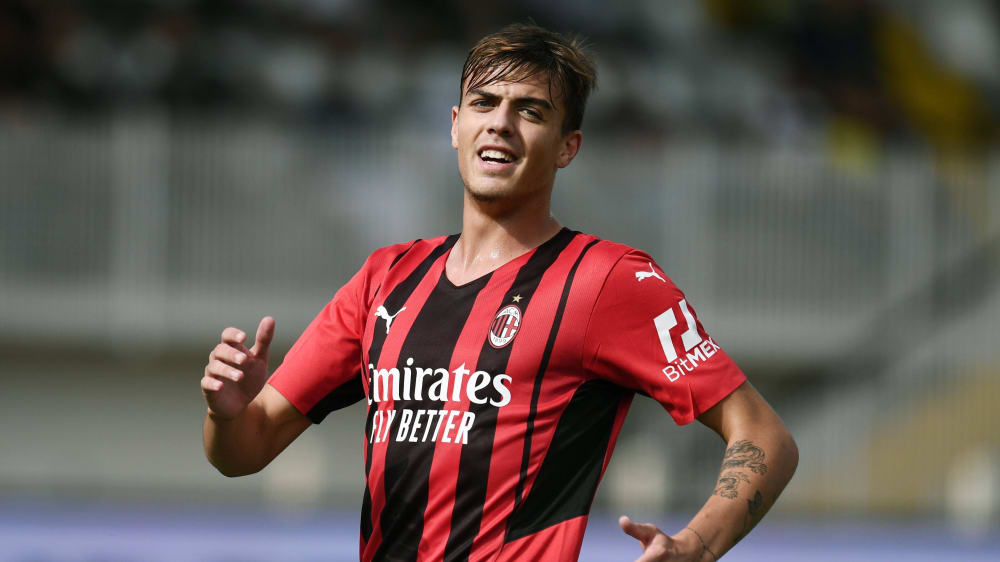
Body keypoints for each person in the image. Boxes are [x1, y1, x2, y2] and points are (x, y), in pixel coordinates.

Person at [201, 23, 797, 562]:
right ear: (455, 124)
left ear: (567, 147)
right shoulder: (386, 278)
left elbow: (764, 436)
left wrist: (695, 548)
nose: (501, 123)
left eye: (530, 111)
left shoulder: (608, 281)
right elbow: (243, 450)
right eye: (484, 103)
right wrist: (225, 416)